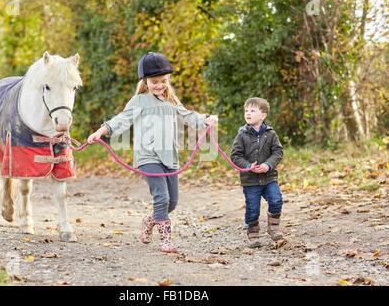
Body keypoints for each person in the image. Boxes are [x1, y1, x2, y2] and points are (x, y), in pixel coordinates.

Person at [87, 52, 218, 253]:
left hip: (169, 156)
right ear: (145, 82)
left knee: (171, 202)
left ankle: (150, 220)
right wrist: (101, 131)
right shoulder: (138, 102)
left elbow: (189, 116)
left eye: (163, 81)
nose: (159, 85)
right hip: (147, 157)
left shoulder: (172, 101)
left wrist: (205, 119)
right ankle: (165, 240)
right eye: (155, 82)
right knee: (161, 197)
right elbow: (120, 120)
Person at [230, 97, 284, 248]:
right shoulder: (242, 135)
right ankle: (253, 233)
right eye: (246, 110)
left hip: (268, 178)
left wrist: (268, 164)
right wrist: (247, 165)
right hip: (250, 180)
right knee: (252, 208)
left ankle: (273, 227)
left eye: (252, 110)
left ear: (263, 115)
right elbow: (235, 155)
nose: (248, 113)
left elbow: (278, 152)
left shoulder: (270, 133)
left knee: (276, 200)